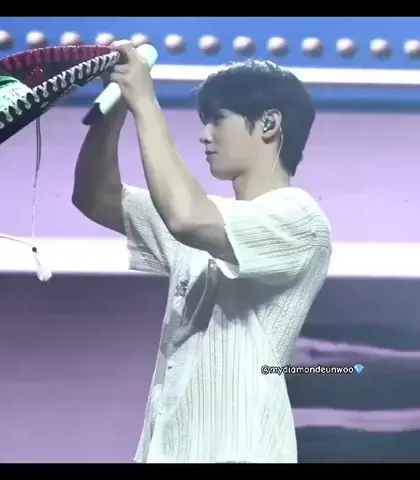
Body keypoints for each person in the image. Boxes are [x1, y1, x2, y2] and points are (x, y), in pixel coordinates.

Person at [72, 40, 332, 463]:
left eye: (218, 119)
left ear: (269, 123)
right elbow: (95, 196)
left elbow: (186, 217)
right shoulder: (211, 218)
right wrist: (118, 104)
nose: (204, 134)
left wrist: (145, 101)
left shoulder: (299, 217)